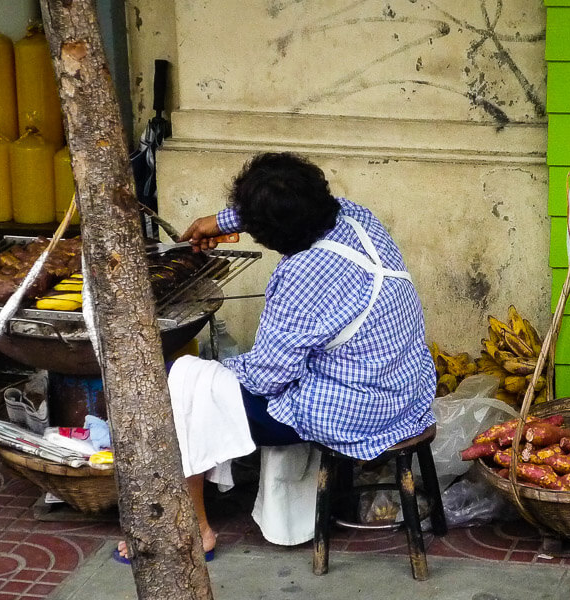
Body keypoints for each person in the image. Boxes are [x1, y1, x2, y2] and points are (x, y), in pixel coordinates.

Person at [116, 152, 436, 561]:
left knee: (176, 381)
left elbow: (268, 378)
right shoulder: (358, 218)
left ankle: (194, 528)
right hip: (406, 391)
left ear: (271, 238)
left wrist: (211, 370)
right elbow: (298, 206)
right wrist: (223, 220)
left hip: (351, 412)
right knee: (196, 380)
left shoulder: (301, 275)